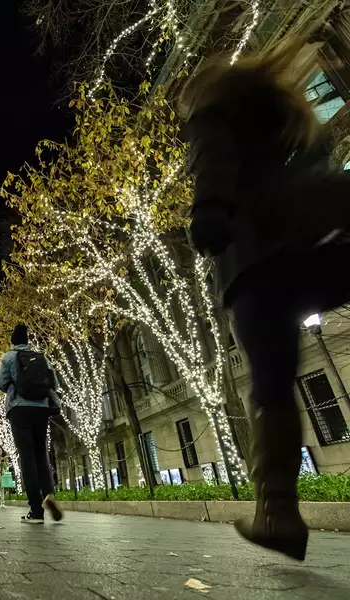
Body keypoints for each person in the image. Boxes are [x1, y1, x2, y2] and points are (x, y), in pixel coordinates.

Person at [179, 40, 350, 561]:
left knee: (271, 385)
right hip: (319, 242)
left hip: (256, 260)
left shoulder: (212, 114)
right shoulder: (289, 114)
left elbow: (213, 163)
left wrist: (207, 211)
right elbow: (320, 173)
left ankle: (278, 514)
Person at [0, 323, 64, 524]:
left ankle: (36, 511)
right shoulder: (42, 357)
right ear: (28, 340)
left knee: (26, 457)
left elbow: (0, 383)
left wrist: (14, 384)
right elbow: (55, 384)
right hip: (41, 408)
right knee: (41, 454)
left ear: (13, 341)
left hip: (19, 408)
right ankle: (49, 493)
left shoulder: (8, 357)